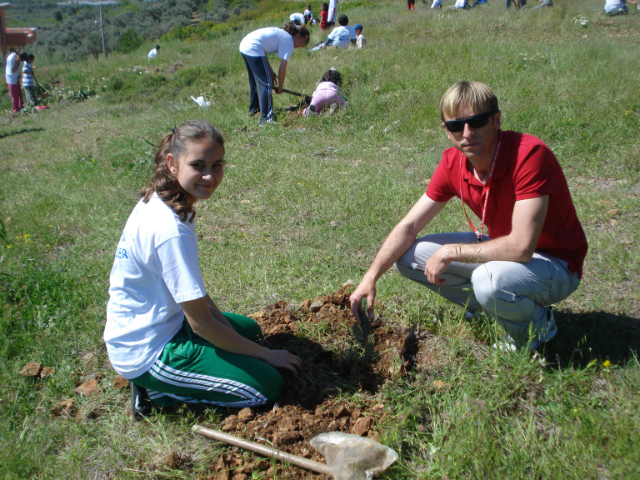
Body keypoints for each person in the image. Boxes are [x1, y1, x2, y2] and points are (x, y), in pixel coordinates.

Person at [350, 81, 588, 352]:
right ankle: (494, 306)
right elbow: (409, 225)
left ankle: (536, 328)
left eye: (477, 121)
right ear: (446, 131)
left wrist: (452, 251)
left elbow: (522, 247)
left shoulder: (529, 154)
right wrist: (370, 277)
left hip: (557, 264)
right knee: (406, 257)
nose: (467, 133)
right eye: (456, 126)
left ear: (496, 119)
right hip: (508, 257)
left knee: (487, 279)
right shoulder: (453, 162)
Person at [104, 121, 302, 419]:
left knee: (249, 331)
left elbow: (192, 294)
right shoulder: (170, 229)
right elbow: (201, 325)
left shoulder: (166, 199)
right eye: (198, 165)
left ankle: (185, 376)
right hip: (148, 350)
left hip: (166, 323)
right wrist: (265, 354)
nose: (210, 175)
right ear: (172, 163)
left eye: (217, 164)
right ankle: (156, 393)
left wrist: (236, 336)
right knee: (266, 387)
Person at [239, 23, 310, 126]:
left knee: (256, 81)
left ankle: (254, 111)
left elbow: (264, 51)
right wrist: (280, 87)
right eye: (303, 41)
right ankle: (266, 120)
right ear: (298, 36)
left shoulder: (283, 35)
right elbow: (282, 69)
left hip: (246, 45)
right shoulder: (289, 41)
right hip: (253, 47)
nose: (301, 45)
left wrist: (270, 71)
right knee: (266, 83)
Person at [5, 48, 23, 113]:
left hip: (15, 76)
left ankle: (21, 105)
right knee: (14, 94)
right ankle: (16, 109)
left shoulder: (16, 56)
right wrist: (17, 62)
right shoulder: (11, 59)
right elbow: (12, 70)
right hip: (11, 78)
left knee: (19, 92)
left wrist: (18, 74)